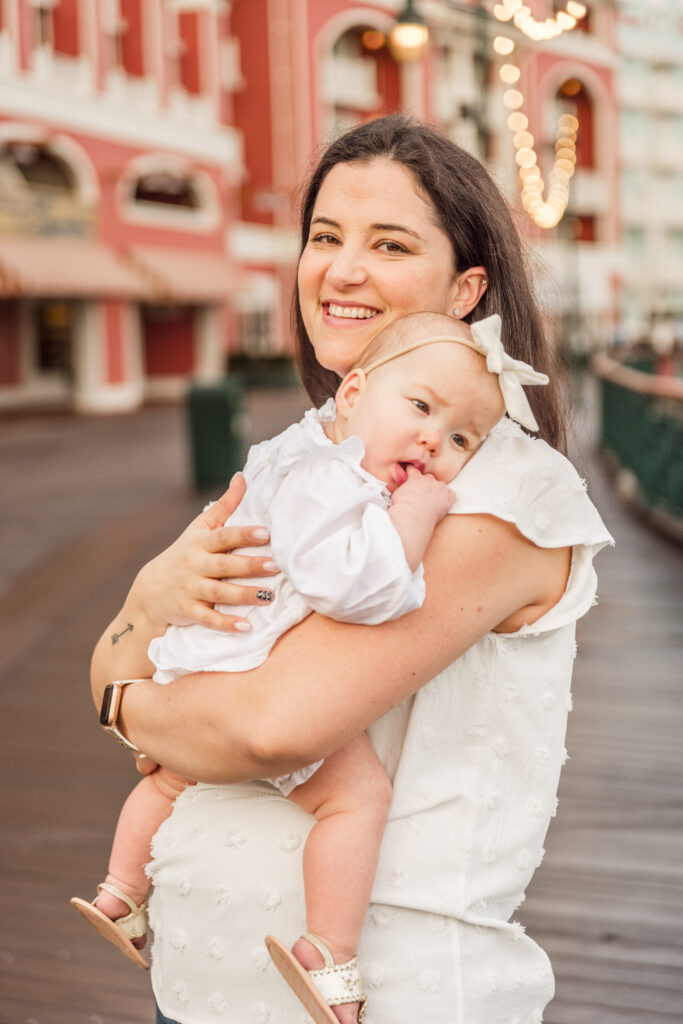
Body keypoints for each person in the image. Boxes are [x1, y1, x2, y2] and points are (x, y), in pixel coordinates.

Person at [88, 114, 613, 1024]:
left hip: (396, 996)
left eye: (389, 244)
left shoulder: (494, 492)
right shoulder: (308, 461)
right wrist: (143, 611)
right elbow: (160, 644)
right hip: (200, 982)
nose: (341, 269)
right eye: (324, 237)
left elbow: (266, 727)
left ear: (466, 289)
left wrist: (126, 702)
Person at [74, 310, 546, 1024]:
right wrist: (414, 516)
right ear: (351, 395)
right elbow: (359, 589)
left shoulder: (292, 450)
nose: (432, 440)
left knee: (170, 772)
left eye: (459, 440)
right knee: (354, 798)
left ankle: (119, 890)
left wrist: (132, 705)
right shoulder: (342, 487)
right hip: (244, 667)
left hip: (201, 659)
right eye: (420, 408)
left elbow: (119, 676)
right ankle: (326, 950)